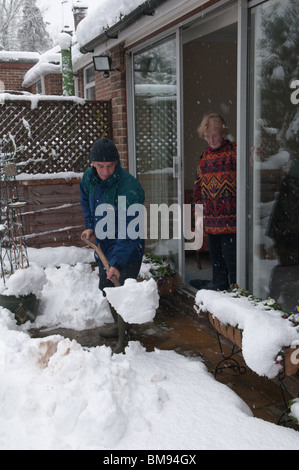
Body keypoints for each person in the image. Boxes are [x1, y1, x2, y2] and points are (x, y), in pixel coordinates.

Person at [80, 138, 145, 353]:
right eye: (100, 166)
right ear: (92, 164)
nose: (105, 172)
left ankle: (125, 337)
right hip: (104, 243)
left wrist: (116, 262)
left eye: (110, 166)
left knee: (122, 289)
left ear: (117, 163)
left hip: (128, 246)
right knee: (107, 287)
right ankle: (118, 325)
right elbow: (85, 200)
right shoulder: (89, 178)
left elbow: (130, 231)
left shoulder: (129, 187)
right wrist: (90, 225)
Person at [192, 113, 237, 290]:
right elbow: (198, 189)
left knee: (231, 257)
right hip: (211, 220)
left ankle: (236, 288)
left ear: (223, 133)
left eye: (214, 135)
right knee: (216, 257)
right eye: (207, 136)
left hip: (231, 221)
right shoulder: (204, 157)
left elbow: (250, 169)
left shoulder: (234, 151)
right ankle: (218, 284)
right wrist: (198, 219)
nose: (211, 140)